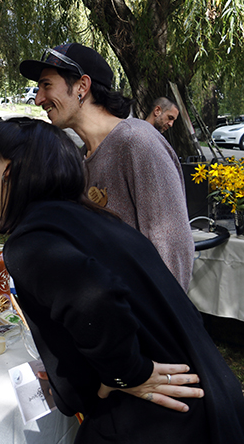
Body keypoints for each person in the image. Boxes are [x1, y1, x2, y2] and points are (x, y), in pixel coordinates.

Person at [0, 118, 244, 443]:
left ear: (10, 168)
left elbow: (94, 298)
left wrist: (125, 372)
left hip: (162, 419)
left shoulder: (33, 239)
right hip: (207, 401)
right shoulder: (90, 220)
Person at [20, 43, 194, 292]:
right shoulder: (82, 159)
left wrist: (163, 323)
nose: (38, 99)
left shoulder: (137, 141)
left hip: (146, 323)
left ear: (82, 86)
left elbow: (172, 246)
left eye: (46, 85)